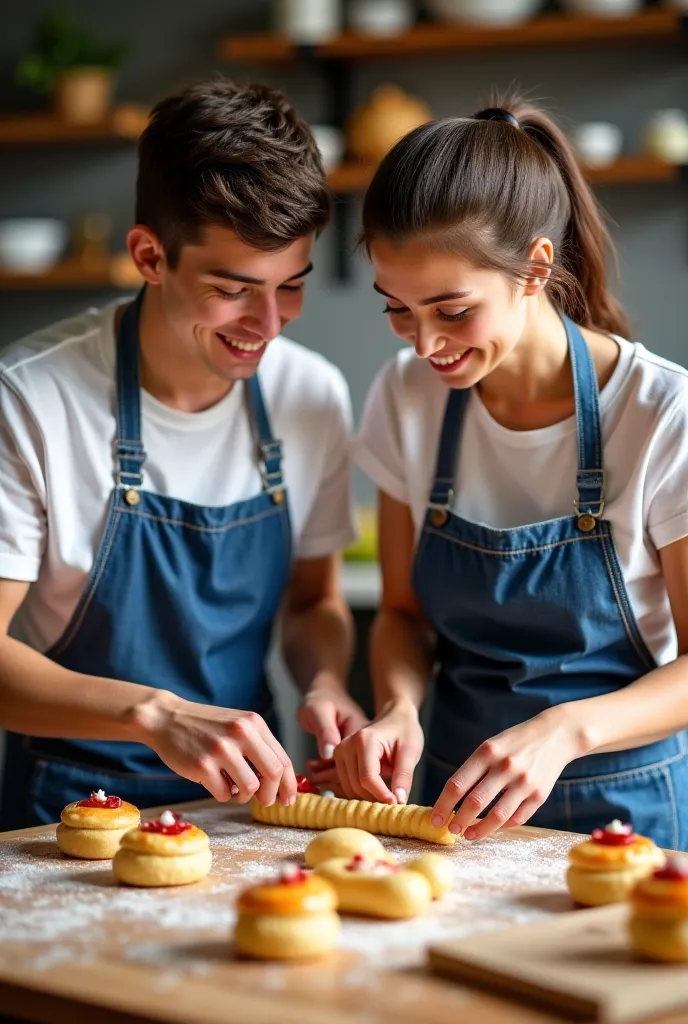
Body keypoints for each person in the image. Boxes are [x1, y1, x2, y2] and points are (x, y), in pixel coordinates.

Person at [0, 79, 366, 830]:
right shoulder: (30, 400)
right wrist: (154, 715)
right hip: (69, 810)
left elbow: (313, 602)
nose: (268, 324)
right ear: (149, 255)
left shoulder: (311, 395)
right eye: (234, 288)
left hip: (248, 807)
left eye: (290, 286)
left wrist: (325, 682)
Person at [335, 98, 688, 850]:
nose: (425, 345)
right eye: (397, 308)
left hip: (627, 815)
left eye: (452, 310)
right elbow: (400, 615)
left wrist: (564, 731)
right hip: (451, 813)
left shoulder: (662, 412)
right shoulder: (405, 397)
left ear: (534, 268)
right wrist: (396, 707)